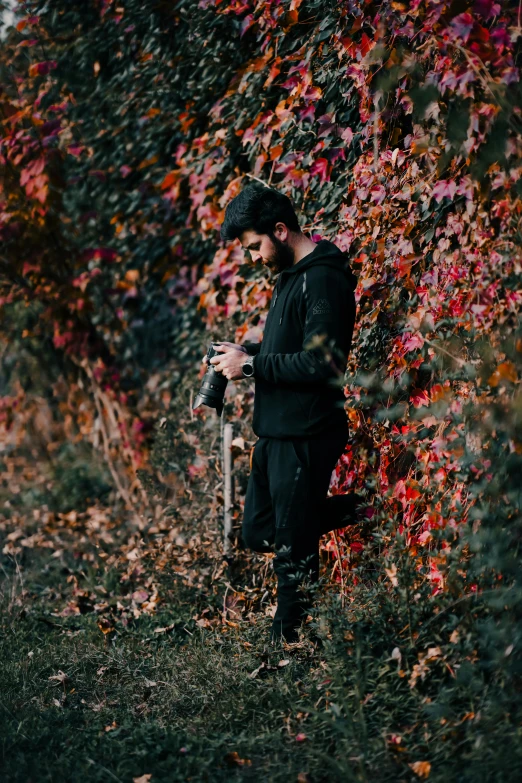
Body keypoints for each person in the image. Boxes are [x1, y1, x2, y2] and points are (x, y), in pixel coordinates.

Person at [203, 182, 364, 645]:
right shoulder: (293, 276)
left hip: (307, 433)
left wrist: (250, 365)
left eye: (255, 247)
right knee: (258, 532)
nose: (253, 258)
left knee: (292, 555)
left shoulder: (323, 279)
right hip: (276, 432)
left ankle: (284, 644)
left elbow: (323, 363)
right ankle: (363, 509)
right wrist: (248, 350)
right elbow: (288, 352)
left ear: (279, 230)